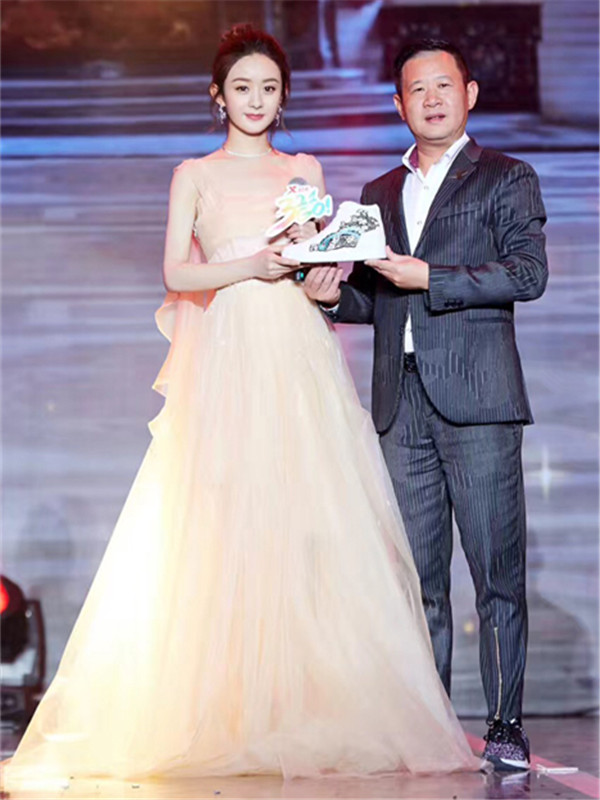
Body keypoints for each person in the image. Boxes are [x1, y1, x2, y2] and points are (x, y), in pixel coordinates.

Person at [5, 27, 480, 788]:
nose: (256, 101)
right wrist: (252, 264)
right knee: (223, 522)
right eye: (242, 88)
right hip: (229, 357)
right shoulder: (195, 174)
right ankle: (225, 706)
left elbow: (318, 260)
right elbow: (175, 270)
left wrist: (323, 274)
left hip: (297, 350)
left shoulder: (303, 168)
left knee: (309, 520)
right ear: (218, 97)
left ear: (283, 97)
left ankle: (309, 704)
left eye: (268, 88)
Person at [304, 39, 548, 772]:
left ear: (469, 94)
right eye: (417, 89)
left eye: (444, 86)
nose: (432, 99)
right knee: (415, 581)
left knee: (495, 574)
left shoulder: (507, 175)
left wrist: (430, 277)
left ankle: (504, 726)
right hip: (399, 402)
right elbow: (375, 299)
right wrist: (329, 297)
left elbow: (527, 274)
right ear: (399, 103)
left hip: (479, 400)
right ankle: (430, 726)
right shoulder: (378, 191)